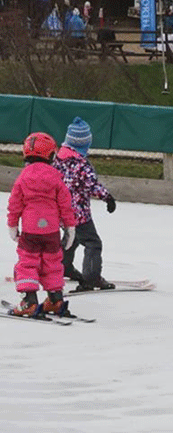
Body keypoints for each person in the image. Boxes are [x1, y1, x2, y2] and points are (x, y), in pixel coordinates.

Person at [7, 132, 76, 317]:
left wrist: (13, 225)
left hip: (30, 231)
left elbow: (15, 203)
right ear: (51, 155)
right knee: (52, 263)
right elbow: (65, 203)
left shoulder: (23, 177)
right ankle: (55, 299)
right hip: (51, 231)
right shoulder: (56, 177)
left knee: (28, 263)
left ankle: (29, 301)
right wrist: (70, 227)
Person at [52, 117, 117, 291]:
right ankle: (91, 278)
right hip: (78, 214)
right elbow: (92, 184)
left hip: (61, 212)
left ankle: (62, 267)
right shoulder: (82, 164)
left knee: (70, 239)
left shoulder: (57, 160)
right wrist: (108, 198)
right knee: (93, 243)